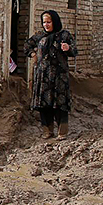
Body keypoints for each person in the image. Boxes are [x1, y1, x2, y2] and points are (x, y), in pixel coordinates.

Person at [24, 10, 77, 140]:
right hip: (43, 77)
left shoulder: (64, 35)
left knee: (60, 104)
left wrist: (68, 49)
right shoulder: (39, 36)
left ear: (55, 21)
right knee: (44, 104)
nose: (46, 25)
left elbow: (75, 50)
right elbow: (26, 46)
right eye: (44, 22)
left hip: (60, 76)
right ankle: (47, 131)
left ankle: (62, 132)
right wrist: (33, 54)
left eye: (49, 22)